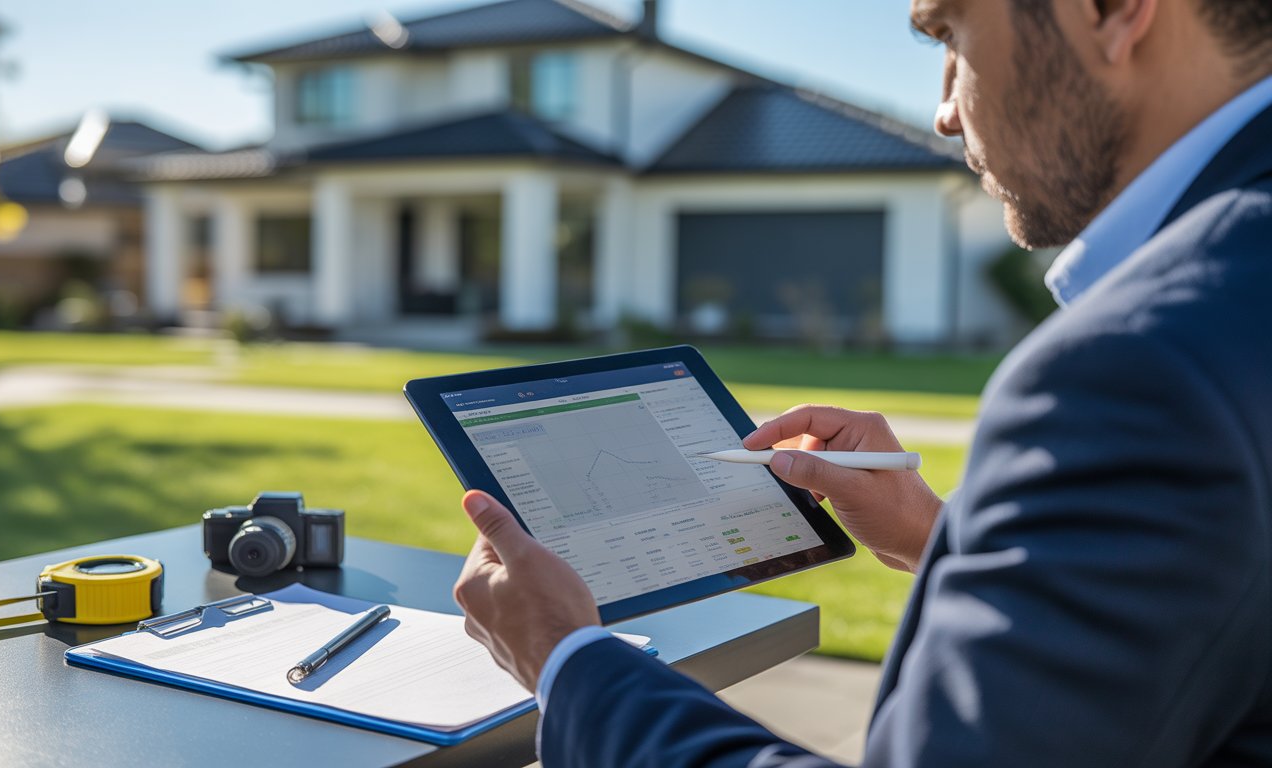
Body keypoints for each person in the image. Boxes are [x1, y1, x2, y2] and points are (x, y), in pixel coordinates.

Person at [452, 0, 1272, 764]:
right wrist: (938, 537)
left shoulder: (1145, 365)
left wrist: (570, 659)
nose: (945, 110)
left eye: (953, 35)